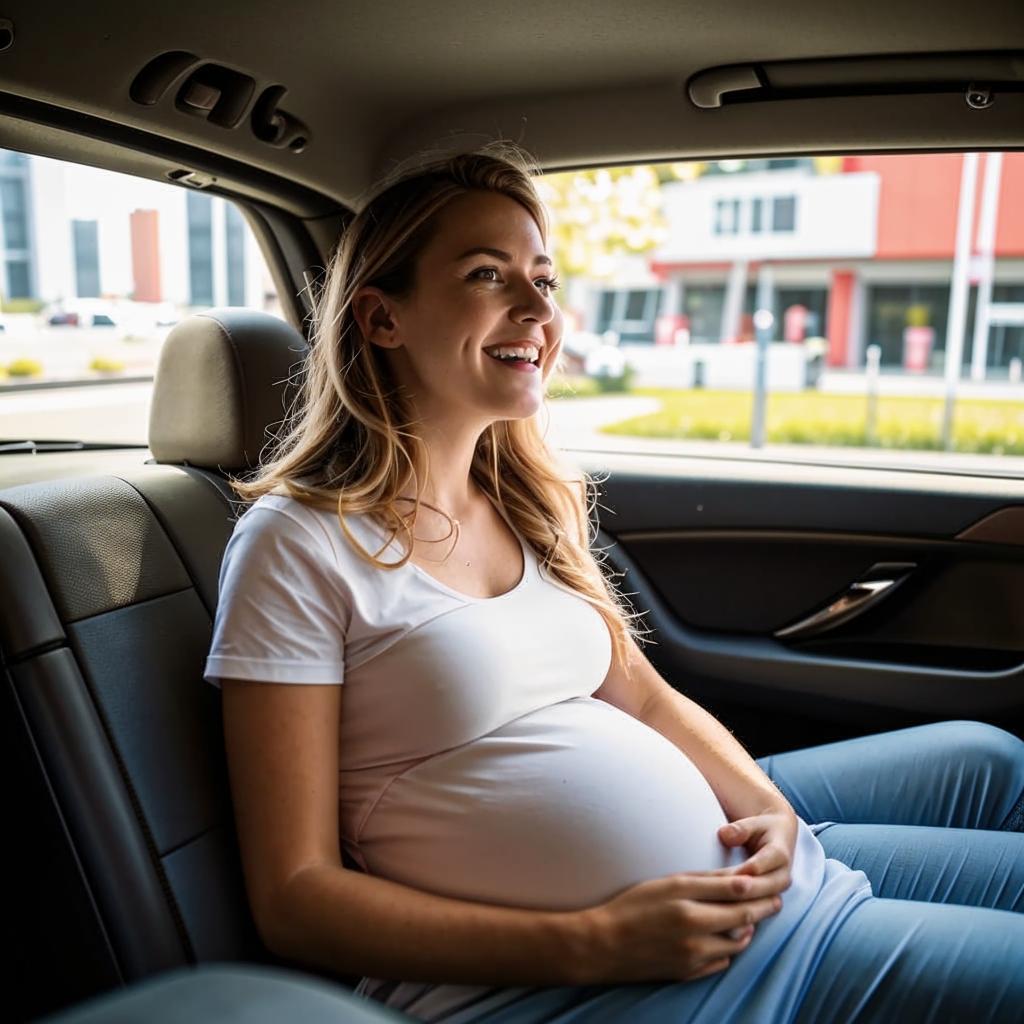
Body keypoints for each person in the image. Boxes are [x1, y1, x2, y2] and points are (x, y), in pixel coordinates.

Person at [203, 145, 1024, 1024]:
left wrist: (773, 815)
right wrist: (595, 940)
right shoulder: (295, 545)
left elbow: (646, 698)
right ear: (381, 318)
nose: (538, 310)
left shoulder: (524, 502)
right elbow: (294, 897)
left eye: (543, 279)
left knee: (996, 766)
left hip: (780, 902)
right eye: (489, 275)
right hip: (620, 985)